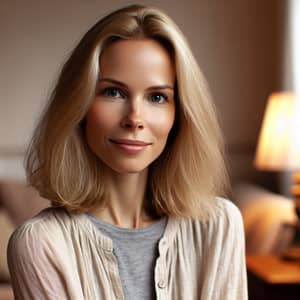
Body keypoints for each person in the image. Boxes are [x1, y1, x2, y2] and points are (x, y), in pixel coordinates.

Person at [7, 4, 247, 300]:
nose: (135, 118)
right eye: (113, 92)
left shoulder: (220, 226)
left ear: (180, 115)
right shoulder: (40, 243)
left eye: (157, 97)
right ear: (79, 106)